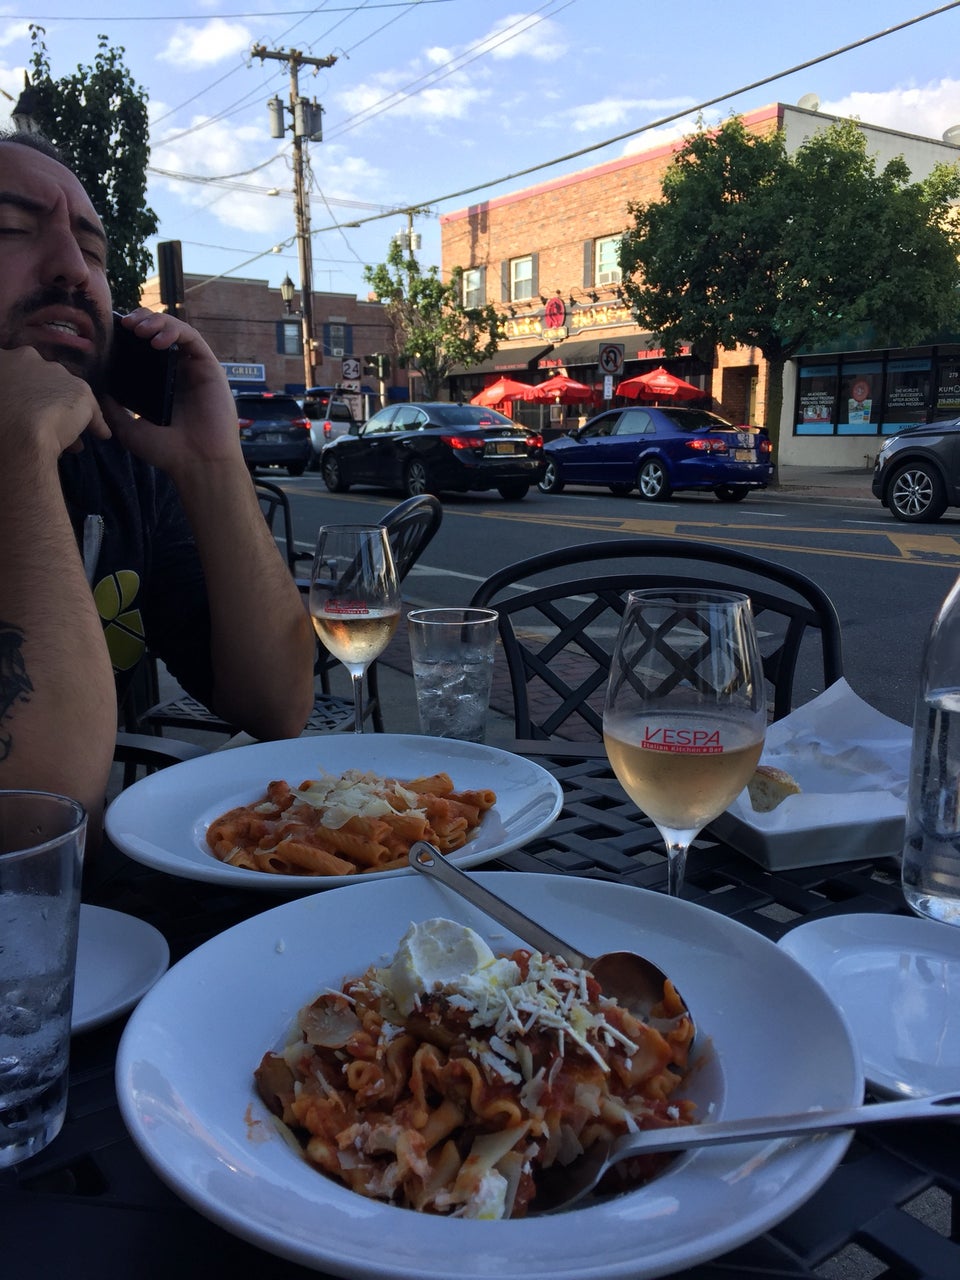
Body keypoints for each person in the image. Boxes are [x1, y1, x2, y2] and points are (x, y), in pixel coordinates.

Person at [0, 131, 315, 843]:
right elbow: (32, 829)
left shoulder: (122, 464)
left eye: (93, 251)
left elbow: (277, 703)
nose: (73, 269)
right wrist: (18, 451)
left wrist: (211, 463)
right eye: (11, 228)